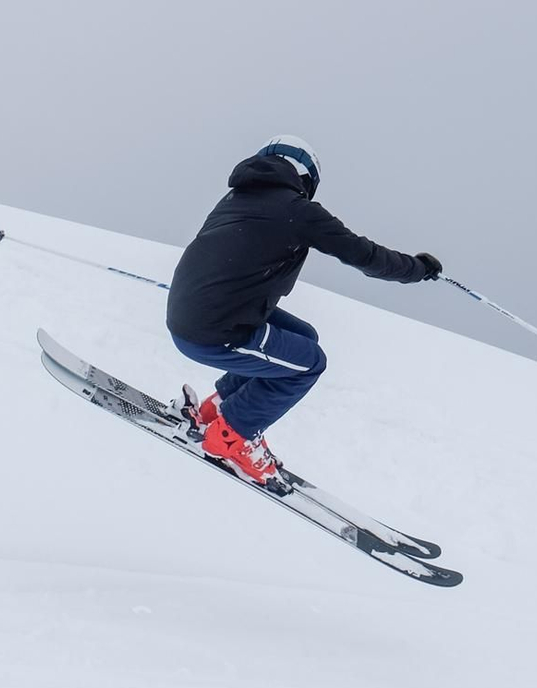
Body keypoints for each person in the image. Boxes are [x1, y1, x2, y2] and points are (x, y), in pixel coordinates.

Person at [166, 135, 442, 484]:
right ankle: (231, 437)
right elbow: (365, 256)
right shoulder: (297, 210)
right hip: (216, 330)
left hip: (194, 316)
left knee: (302, 338)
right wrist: (418, 269)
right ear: (306, 178)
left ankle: (215, 412)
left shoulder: (235, 198)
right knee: (308, 365)